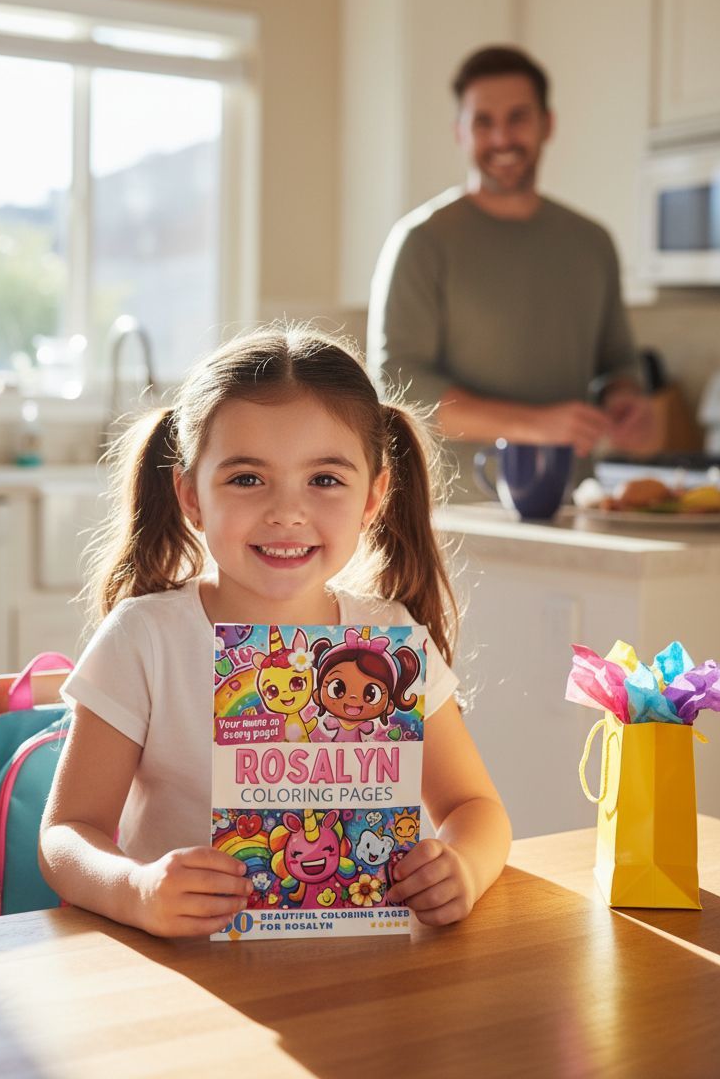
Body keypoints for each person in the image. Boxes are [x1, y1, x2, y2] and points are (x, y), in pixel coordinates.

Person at [39, 324, 511, 937]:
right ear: (191, 495)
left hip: (362, 969)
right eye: (246, 478)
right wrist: (137, 889)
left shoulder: (390, 633)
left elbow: (476, 809)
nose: (287, 512)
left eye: (325, 480)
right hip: (187, 969)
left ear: (373, 496)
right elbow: (65, 834)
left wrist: (464, 867)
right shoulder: (145, 640)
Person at [367, 45, 656, 466]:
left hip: (576, 495)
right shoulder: (421, 241)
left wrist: (626, 398)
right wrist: (534, 424)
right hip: (461, 501)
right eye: (483, 122)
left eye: (517, 118)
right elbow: (399, 385)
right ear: (460, 132)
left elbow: (619, 362)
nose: (502, 138)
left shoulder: (592, 242)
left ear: (547, 124)